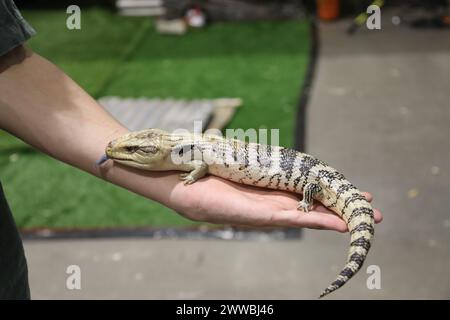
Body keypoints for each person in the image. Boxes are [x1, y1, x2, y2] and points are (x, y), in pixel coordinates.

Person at [0, 0, 382, 299]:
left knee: (335, 200)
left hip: (308, 176)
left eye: (134, 150)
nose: (123, 151)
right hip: (293, 171)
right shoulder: (186, 150)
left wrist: (305, 198)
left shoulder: (187, 152)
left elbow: (10, 65)